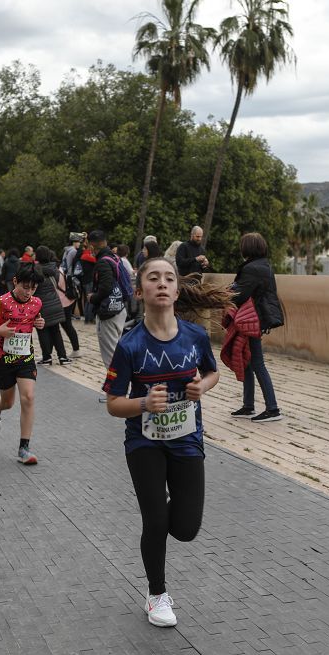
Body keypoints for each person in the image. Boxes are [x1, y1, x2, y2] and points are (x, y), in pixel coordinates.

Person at [103, 256, 220, 627]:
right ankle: (157, 595)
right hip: (144, 444)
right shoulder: (130, 344)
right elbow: (112, 403)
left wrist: (201, 386)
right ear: (140, 291)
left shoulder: (195, 336)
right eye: (154, 278)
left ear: (177, 289)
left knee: (185, 529)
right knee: (154, 521)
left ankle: (164, 503)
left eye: (170, 278)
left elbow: (213, 373)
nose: (163, 284)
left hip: (187, 441)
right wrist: (142, 403)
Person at [0, 262, 45, 465]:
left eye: (33, 288)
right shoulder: (1, 302)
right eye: (25, 286)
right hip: (3, 359)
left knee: (29, 397)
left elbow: (35, 318)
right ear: (15, 281)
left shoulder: (36, 303)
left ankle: (24, 448)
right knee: (8, 402)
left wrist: (39, 323)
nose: (29, 292)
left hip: (25, 357)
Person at [230, 233, 283, 423]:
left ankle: (272, 408)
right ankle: (248, 405)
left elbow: (239, 294)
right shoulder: (264, 265)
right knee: (249, 362)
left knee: (257, 363)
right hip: (257, 318)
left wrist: (228, 291)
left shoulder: (252, 269)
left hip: (252, 319)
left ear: (248, 248)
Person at [88, 230, 127, 366]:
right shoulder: (114, 257)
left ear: (92, 246)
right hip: (119, 308)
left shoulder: (103, 262)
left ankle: (116, 385)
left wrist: (93, 298)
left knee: (110, 357)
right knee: (116, 351)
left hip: (108, 313)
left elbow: (105, 288)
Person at [32, 246, 71, 365]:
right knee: (56, 331)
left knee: (42, 331)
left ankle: (47, 357)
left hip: (41, 305)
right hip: (55, 303)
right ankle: (63, 357)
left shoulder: (35, 270)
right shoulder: (54, 268)